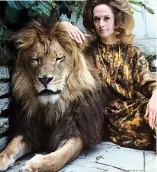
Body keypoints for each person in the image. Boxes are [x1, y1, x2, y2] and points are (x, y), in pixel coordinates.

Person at [61, 0, 157, 150]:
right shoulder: (87, 50)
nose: (101, 24)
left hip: (134, 109)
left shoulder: (132, 53)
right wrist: (63, 25)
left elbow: (148, 81)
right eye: (97, 19)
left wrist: (155, 98)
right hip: (107, 117)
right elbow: (59, 39)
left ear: (116, 21)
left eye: (106, 18)